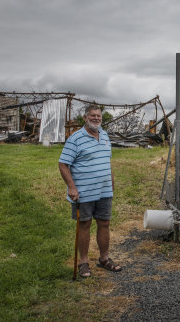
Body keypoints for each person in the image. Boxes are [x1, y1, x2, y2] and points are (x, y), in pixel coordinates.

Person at [59, 104, 122, 278]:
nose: (96, 118)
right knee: (84, 225)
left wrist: (111, 182)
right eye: (93, 115)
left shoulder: (105, 135)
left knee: (104, 223)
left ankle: (104, 259)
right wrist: (71, 186)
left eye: (99, 116)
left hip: (104, 191)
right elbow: (63, 164)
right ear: (85, 118)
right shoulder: (76, 138)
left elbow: (106, 162)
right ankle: (84, 263)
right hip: (83, 192)